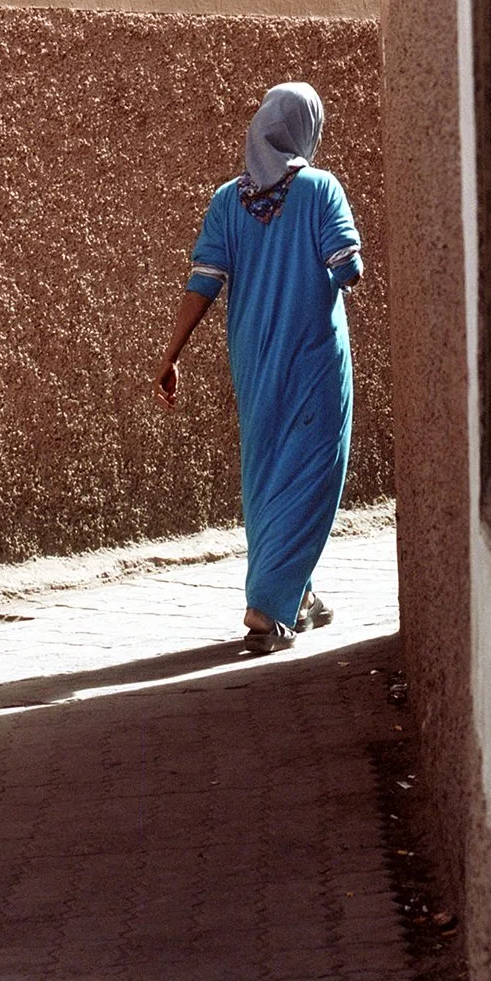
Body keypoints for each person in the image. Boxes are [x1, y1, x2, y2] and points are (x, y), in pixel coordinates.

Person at [154, 80, 364, 652]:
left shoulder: (227, 201)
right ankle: (267, 611)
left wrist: (171, 353)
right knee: (315, 472)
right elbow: (347, 266)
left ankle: (299, 594)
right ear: (306, 129)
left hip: (253, 360)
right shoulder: (321, 189)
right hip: (314, 357)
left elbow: (203, 284)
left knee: (269, 473)